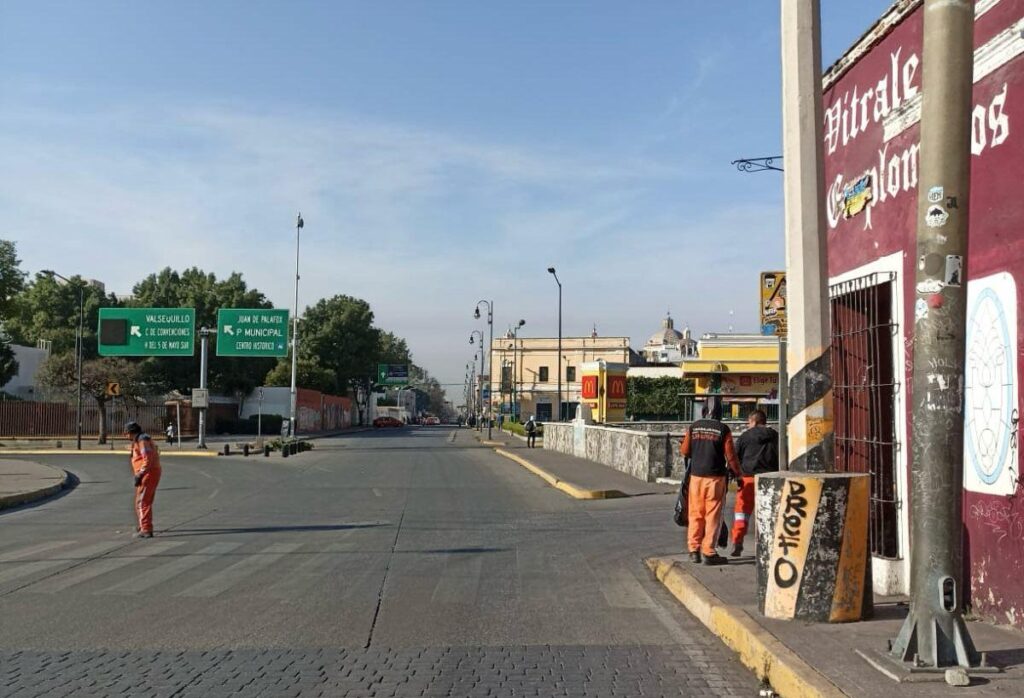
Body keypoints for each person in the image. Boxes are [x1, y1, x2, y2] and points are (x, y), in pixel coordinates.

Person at [680, 402, 741, 565]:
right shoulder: (723, 429)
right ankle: (708, 552)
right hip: (715, 478)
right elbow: (731, 456)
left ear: (704, 412)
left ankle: (693, 550)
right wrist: (738, 474)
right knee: (712, 515)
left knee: (695, 514)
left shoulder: (694, 427)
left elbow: (685, 451)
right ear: (720, 414)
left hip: (696, 478)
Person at [731, 409, 779, 557]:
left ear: (754, 421)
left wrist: (733, 474)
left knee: (742, 513)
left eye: (749, 422)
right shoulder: (775, 436)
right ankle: (768, 546)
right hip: (770, 479)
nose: (747, 424)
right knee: (769, 513)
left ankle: (737, 541)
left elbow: (735, 457)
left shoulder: (745, 436)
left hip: (747, 480)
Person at [125, 421, 162, 538]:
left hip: (148, 473)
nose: (125, 436)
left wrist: (140, 474)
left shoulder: (142, 441)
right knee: (142, 501)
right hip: (150, 472)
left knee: (142, 502)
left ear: (131, 433)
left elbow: (147, 458)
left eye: (126, 433)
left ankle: (146, 529)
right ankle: (143, 524)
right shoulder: (141, 440)